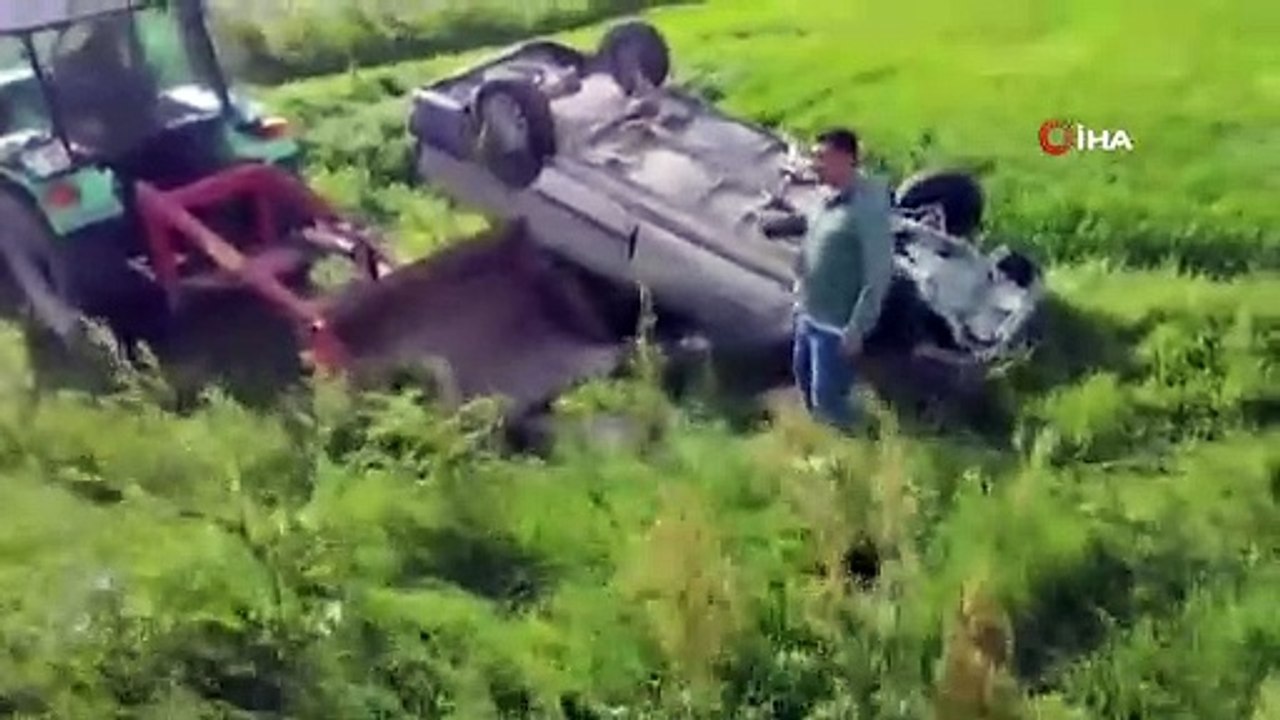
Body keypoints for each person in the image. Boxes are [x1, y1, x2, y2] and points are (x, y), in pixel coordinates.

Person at [790, 127, 893, 430]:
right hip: (808, 315)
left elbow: (879, 272)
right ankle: (821, 444)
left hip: (836, 328)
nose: (814, 164)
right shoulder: (825, 200)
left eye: (822, 157)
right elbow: (811, 245)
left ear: (846, 159)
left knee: (829, 403)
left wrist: (857, 328)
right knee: (805, 385)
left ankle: (860, 450)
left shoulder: (866, 209)